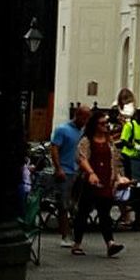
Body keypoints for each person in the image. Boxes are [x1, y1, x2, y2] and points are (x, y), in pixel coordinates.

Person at [72, 111, 127, 258]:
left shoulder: (109, 142)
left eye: (106, 123)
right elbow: (82, 158)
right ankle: (77, 243)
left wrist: (119, 177)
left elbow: (115, 160)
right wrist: (91, 173)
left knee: (105, 214)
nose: (105, 126)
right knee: (83, 213)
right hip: (90, 182)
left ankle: (110, 244)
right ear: (95, 125)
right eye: (102, 123)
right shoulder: (87, 140)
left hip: (106, 181)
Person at [50, 104, 91, 248]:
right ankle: (64, 235)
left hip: (78, 171)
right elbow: (54, 148)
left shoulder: (84, 132)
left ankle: (74, 232)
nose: (85, 121)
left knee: (75, 204)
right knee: (63, 204)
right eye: (84, 117)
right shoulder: (63, 130)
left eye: (88, 118)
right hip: (66, 171)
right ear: (77, 115)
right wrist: (58, 168)